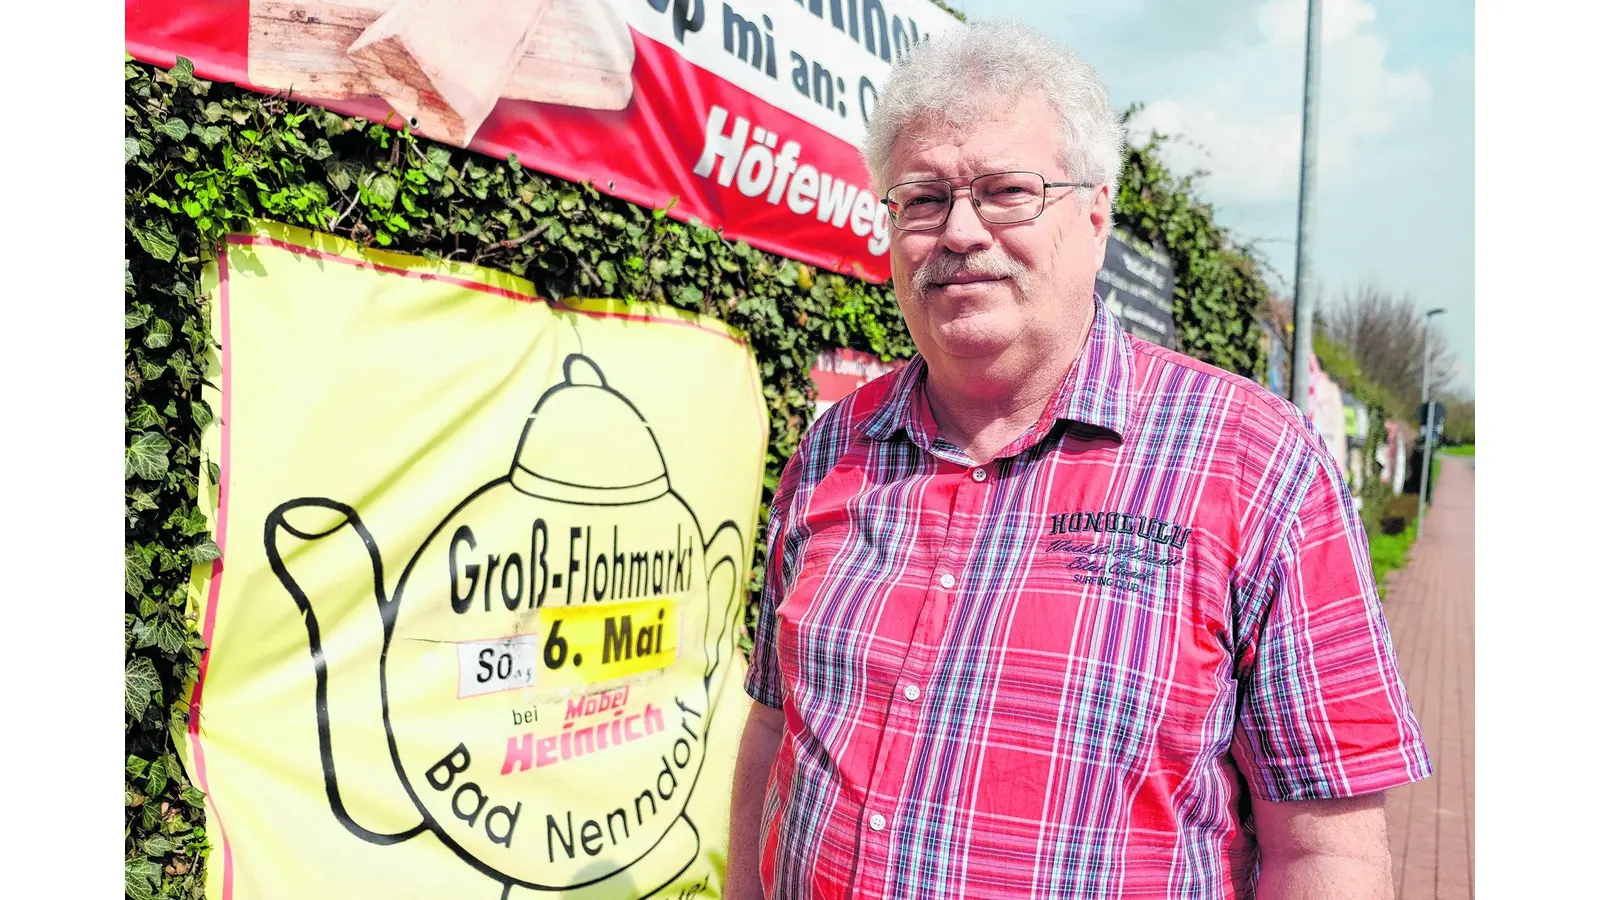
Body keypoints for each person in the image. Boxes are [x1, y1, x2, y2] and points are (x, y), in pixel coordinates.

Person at [724, 20, 1430, 900]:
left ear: (1095, 215)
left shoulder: (1255, 464)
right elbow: (773, 726)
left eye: (1006, 190)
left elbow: (1327, 852)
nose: (960, 232)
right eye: (923, 198)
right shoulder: (833, 446)